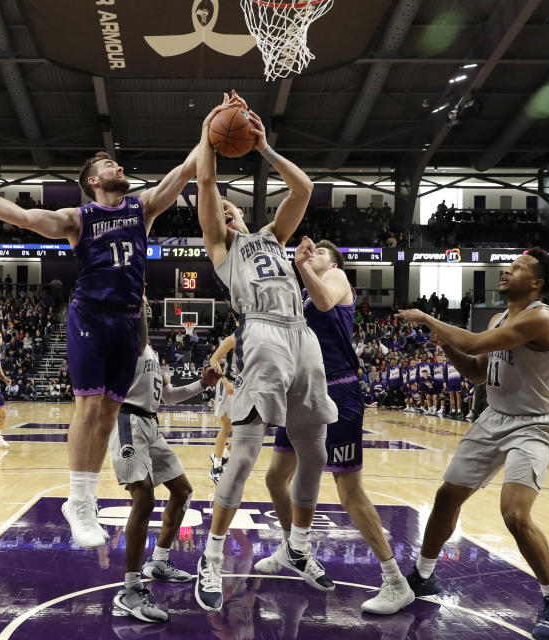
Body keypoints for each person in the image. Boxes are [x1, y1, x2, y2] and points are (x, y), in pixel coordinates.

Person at [0, 134, 200, 548]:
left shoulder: (141, 208)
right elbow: (23, 217)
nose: (120, 168)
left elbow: (185, 171)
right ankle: (78, 500)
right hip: (91, 316)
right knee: (90, 405)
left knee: (110, 416)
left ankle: (86, 499)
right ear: (93, 180)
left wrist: (208, 131)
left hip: (129, 321)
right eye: (111, 165)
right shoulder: (79, 218)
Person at [192, 93, 337, 612]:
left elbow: (305, 187)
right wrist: (212, 129)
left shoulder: (274, 236)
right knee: (248, 452)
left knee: (314, 451)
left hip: (303, 334)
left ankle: (297, 547)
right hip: (263, 335)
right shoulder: (222, 246)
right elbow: (206, 182)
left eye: (233, 206)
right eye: (221, 209)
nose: (227, 208)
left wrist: (265, 148)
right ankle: (210, 556)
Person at [395, 249, 549, 640]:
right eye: (508, 266)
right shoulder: (499, 318)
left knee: (514, 514)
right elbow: (477, 372)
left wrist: (428, 318)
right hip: (493, 417)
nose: (507, 270)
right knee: (446, 497)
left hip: (533, 424)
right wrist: (447, 348)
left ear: (537, 283)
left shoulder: (543, 317)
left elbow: (476, 343)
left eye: (519, 268)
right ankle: (423, 577)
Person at [259, 239, 415, 614]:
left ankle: (395, 580)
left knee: (348, 489)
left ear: (334, 261)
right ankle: (293, 547)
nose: (312, 255)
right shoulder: (302, 292)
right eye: (310, 252)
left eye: (320, 253)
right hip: (300, 392)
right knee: (276, 477)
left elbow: (326, 303)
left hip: (337, 390)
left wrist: (303, 266)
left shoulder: (336, 278)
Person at [109, 293, 219, 623]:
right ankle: (129, 589)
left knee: (183, 491)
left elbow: (166, 396)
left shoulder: (153, 353)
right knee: (143, 500)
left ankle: (159, 560)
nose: (145, 304)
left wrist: (202, 384)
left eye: (146, 301)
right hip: (127, 420)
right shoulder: (123, 340)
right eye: (139, 301)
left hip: (150, 425)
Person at [209, 333, 237, 484]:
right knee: (227, 426)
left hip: (246, 386)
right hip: (229, 385)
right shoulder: (232, 339)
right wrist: (225, 382)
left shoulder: (257, 337)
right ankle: (217, 467)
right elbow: (214, 359)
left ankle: (224, 455)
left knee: (247, 431)